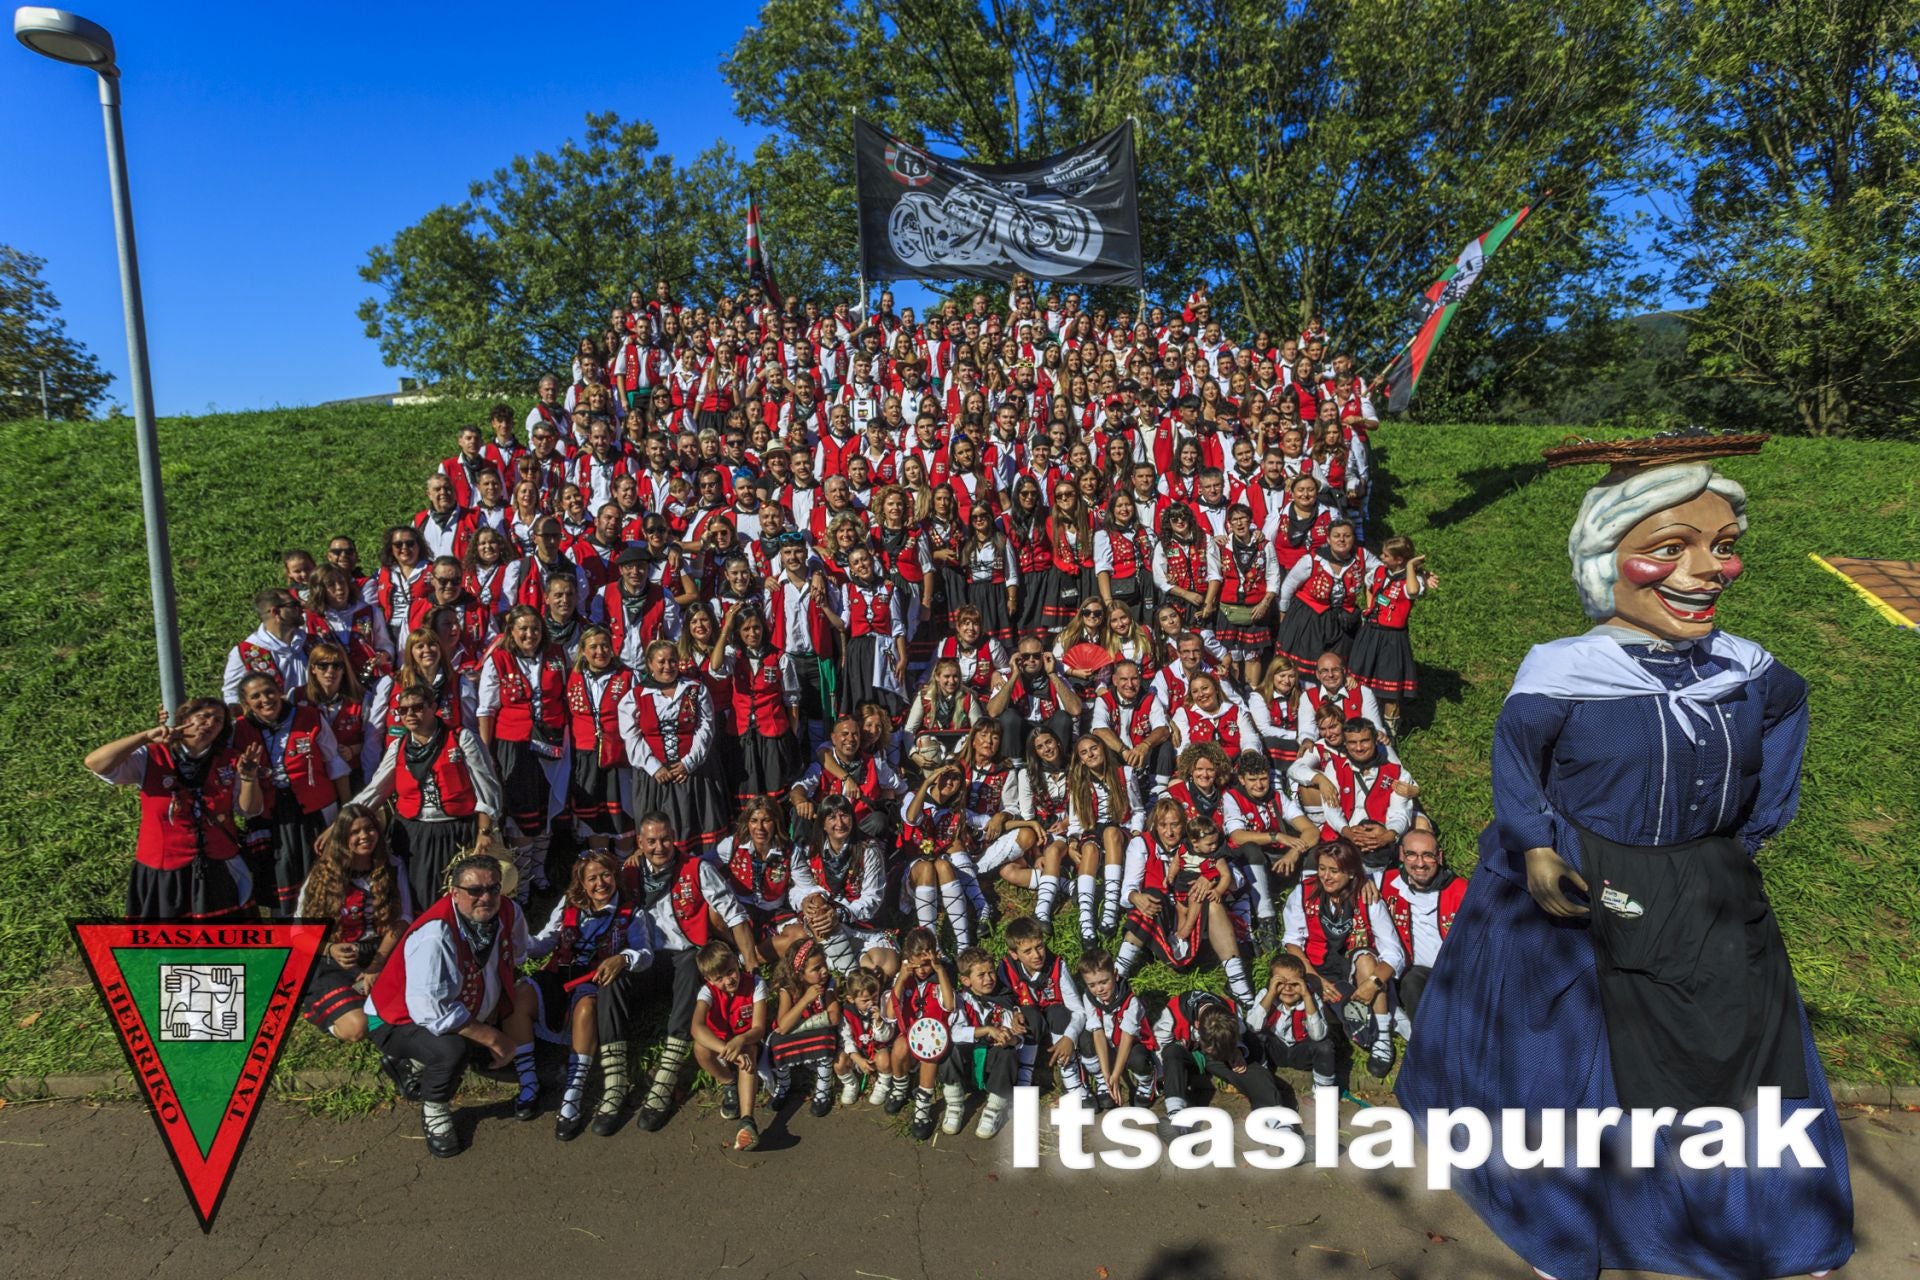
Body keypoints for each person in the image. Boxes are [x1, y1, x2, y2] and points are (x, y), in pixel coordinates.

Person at [1396, 438, 1852, 1280]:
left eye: (1723, 547)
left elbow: (1790, 708)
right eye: (1671, 548)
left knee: (1741, 1049)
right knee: (1575, 1056)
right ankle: (1565, 1220)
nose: (1707, 571)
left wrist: (1754, 824)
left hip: (1702, 886)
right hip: (1583, 881)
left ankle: (1771, 1224)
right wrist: (1536, 844)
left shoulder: (1743, 665)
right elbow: (1516, 756)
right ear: (1608, 559)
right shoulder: (1566, 669)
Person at [364, 851, 539, 1158]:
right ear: (454, 893)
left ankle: (414, 1063)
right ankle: (435, 1110)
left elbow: (522, 950)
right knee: (452, 1050)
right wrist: (492, 1037)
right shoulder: (435, 935)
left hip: (461, 1007)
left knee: (502, 1037)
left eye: (493, 888)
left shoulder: (508, 911)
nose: (486, 898)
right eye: (475, 890)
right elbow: (430, 1010)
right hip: (397, 1019)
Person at [621, 812, 763, 1133]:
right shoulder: (628, 872)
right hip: (645, 958)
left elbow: (734, 914)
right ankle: (609, 1080)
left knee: (688, 963)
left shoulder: (696, 868)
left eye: (665, 839)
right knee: (611, 982)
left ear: (675, 837)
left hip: (683, 956)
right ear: (640, 843)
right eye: (651, 841)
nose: (660, 847)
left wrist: (751, 964)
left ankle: (667, 1075)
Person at [86, 700, 265, 921]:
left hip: (218, 866)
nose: (210, 723)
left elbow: (250, 810)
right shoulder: (151, 756)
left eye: (218, 721)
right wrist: (144, 737)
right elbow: (95, 763)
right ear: (184, 719)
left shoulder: (230, 760)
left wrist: (249, 778)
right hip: (165, 870)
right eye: (204, 716)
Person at [525, 850, 656, 1140]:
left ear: (615, 876)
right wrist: (518, 940)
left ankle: (573, 1092)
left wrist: (623, 958)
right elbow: (545, 941)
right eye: (592, 878)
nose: (600, 883)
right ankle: (527, 1080)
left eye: (606, 875)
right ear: (582, 883)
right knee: (522, 995)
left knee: (585, 1008)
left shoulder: (631, 913)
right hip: (559, 975)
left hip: (591, 981)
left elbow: (646, 954)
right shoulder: (569, 904)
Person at [352, 684, 504, 910]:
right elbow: (375, 791)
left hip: (455, 831)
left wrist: (484, 831)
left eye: (417, 707)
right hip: (413, 835)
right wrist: (343, 820)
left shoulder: (461, 738)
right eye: (403, 710)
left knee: (456, 897)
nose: (410, 715)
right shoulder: (398, 747)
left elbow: (487, 788)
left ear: (433, 707)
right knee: (414, 898)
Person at [232, 671, 351, 917]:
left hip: (314, 810)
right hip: (270, 815)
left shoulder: (310, 717)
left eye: (269, 692)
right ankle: (286, 931)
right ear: (246, 703)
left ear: (279, 691)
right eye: (256, 696)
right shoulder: (239, 730)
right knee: (279, 877)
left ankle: (327, 931)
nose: (265, 699)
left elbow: (335, 764)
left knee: (322, 874)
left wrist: (346, 811)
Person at [1281, 838, 1403, 1079]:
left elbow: (1393, 952)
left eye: (1334, 871)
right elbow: (1292, 941)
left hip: (1353, 970)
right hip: (1316, 968)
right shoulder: (1304, 892)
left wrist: (1373, 983)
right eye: (1322, 868)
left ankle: (1382, 1036)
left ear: (1350, 873)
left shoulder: (1366, 895)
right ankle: (1346, 1026)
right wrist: (1314, 978)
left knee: (1367, 959)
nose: (1326, 877)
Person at [296, 805, 412, 1044]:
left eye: (369, 829)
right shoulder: (323, 873)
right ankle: (344, 1011)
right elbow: (297, 933)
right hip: (335, 961)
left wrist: (376, 964)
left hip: (381, 953)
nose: (364, 836)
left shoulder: (392, 865)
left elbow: (404, 918)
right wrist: (330, 949)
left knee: (419, 1003)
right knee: (357, 1028)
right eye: (355, 832)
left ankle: (370, 1005)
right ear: (342, 837)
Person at [478, 606, 572, 897]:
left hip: (552, 740)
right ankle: (521, 884)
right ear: (511, 631)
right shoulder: (499, 659)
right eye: (523, 629)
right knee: (522, 814)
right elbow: (486, 709)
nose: (530, 634)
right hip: (514, 744)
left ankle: (539, 875)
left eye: (535, 628)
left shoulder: (558, 655)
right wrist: (487, 754)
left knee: (547, 808)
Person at [619, 639, 730, 855]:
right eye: (661, 662)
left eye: (672, 661)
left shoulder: (695, 689)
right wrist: (654, 767)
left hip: (693, 774)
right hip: (655, 779)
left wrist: (689, 763)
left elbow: (705, 728)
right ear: (650, 664)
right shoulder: (635, 696)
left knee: (698, 830)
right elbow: (631, 736)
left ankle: (700, 870)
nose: (667, 666)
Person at [1375, 828, 1463, 1034]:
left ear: (1439, 857)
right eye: (1411, 854)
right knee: (1411, 981)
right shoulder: (1385, 882)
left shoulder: (1460, 890)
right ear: (1401, 855)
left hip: (1455, 971)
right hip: (1417, 973)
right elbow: (1347, 874)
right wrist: (1364, 886)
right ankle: (1425, 1041)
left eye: (1428, 855)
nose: (1420, 863)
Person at [1346, 535, 1434, 738]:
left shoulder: (1412, 580)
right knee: (1359, 680)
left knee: (1389, 690)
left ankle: (1389, 733)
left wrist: (1411, 567)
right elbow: (1369, 587)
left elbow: (1412, 591)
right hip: (1370, 633)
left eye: (1386, 555)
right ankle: (1358, 725)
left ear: (1399, 559)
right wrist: (1370, 606)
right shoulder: (1379, 572)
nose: (1381, 557)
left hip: (1393, 638)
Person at [564, 625, 635, 857]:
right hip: (584, 755)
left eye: (605, 646)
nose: (600, 651)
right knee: (592, 815)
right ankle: (601, 864)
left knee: (622, 814)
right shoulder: (572, 676)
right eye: (593, 646)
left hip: (618, 755)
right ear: (583, 651)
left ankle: (625, 868)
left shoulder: (627, 675)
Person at [765, 938, 853, 1118]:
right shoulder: (788, 990)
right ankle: (783, 1085)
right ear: (800, 975)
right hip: (793, 1035)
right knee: (776, 1042)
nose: (824, 971)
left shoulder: (828, 985)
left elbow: (833, 1017)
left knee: (826, 1036)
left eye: (824, 964)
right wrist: (805, 999)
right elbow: (783, 1026)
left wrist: (801, 1025)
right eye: (816, 968)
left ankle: (823, 1088)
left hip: (815, 1035)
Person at [940, 947, 1023, 1138]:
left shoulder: (1004, 1000)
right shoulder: (961, 1000)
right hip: (967, 1066)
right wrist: (986, 1030)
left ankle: (994, 1108)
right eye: (981, 975)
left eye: (991, 972)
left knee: (1008, 1053)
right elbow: (955, 1033)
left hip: (991, 1069)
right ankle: (954, 1103)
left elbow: (1018, 1038)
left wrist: (1010, 1039)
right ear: (966, 980)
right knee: (948, 1047)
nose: (989, 979)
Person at [1250, 953, 1339, 1093]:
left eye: (1294, 984)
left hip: (1301, 1051)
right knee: (1256, 1037)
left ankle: (1323, 1093)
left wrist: (1307, 997)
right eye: (1280, 983)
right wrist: (1271, 994)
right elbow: (1252, 1027)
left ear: (1303, 983)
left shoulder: (1312, 998)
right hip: (1275, 1050)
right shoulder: (1265, 995)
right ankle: (1263, 1083)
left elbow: (1318, 1036)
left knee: (1325, 1046)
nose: (1287, 989)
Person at [222, 588, 311, 708]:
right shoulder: (245, 652)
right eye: (294, 605)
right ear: (276, 612)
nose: (301, 608)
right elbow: (232, 697)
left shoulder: (311, 642)